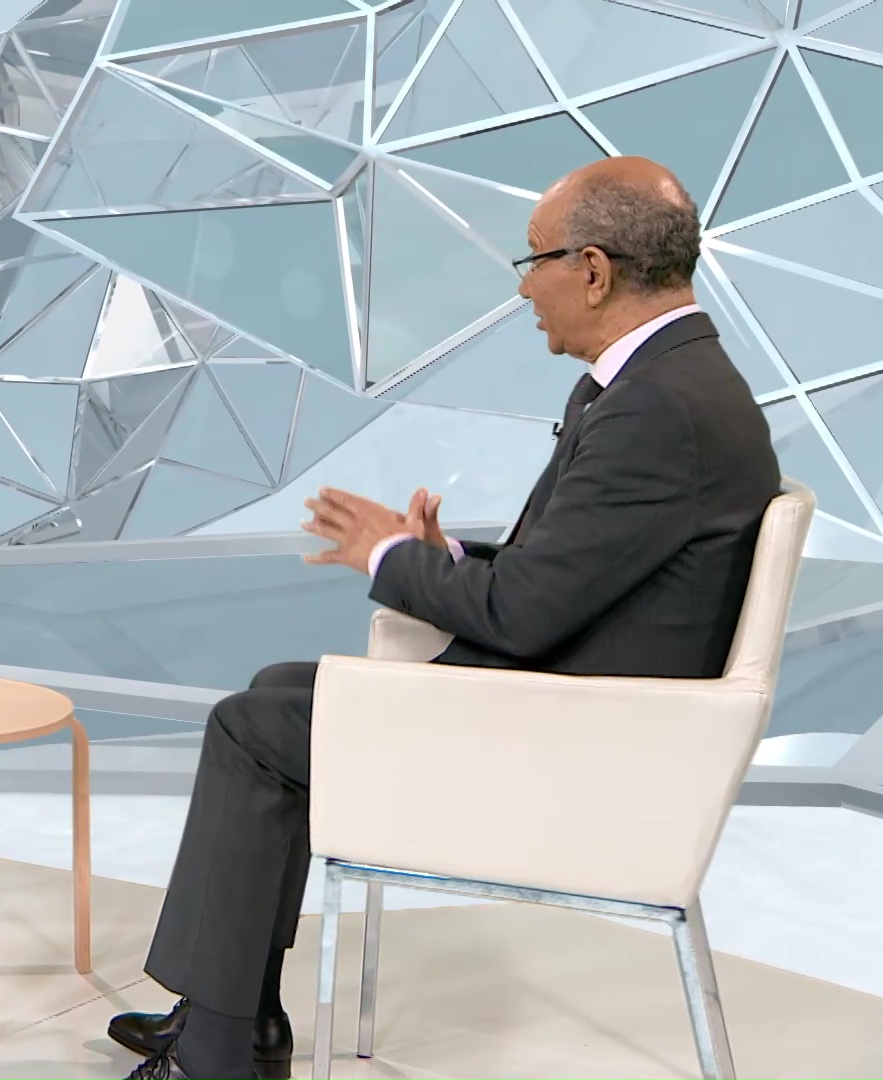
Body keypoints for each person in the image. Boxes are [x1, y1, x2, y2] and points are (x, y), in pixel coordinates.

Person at [109, 157, 782, 1079]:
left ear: (592, 270)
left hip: (576, 745)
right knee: (277, 693)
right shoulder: (671, 383)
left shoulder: (655, 409)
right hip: (585, 708)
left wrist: (392, 557)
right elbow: (578, 575)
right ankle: (234, 1016)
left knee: (250, 729)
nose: (524, 288)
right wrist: (446, 557)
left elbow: (524, 616)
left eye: (533, 260)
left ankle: (219, 1052)